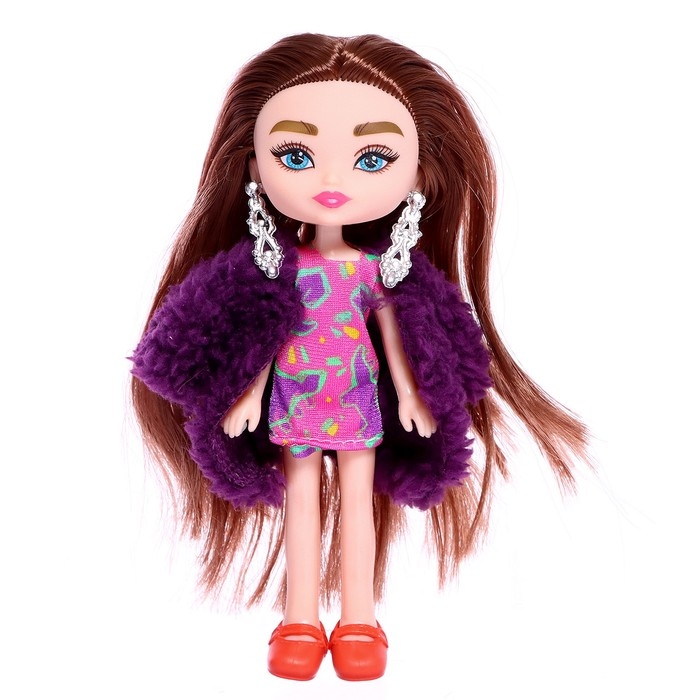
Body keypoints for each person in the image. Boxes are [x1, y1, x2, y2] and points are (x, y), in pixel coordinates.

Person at [131, 33, 588, 682]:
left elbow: (397, 335)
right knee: (302, 509)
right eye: (296, 155)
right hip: (294, 398)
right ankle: (298, 622)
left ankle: (359, 623)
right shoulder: (279, 270)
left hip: (355, 400)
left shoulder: (375, 270)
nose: (332, 180)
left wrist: (411, 393)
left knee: (354, 510)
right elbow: (266, 336)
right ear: (255, 169)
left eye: (372, 158)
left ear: (419, 175)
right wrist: (247, 393)